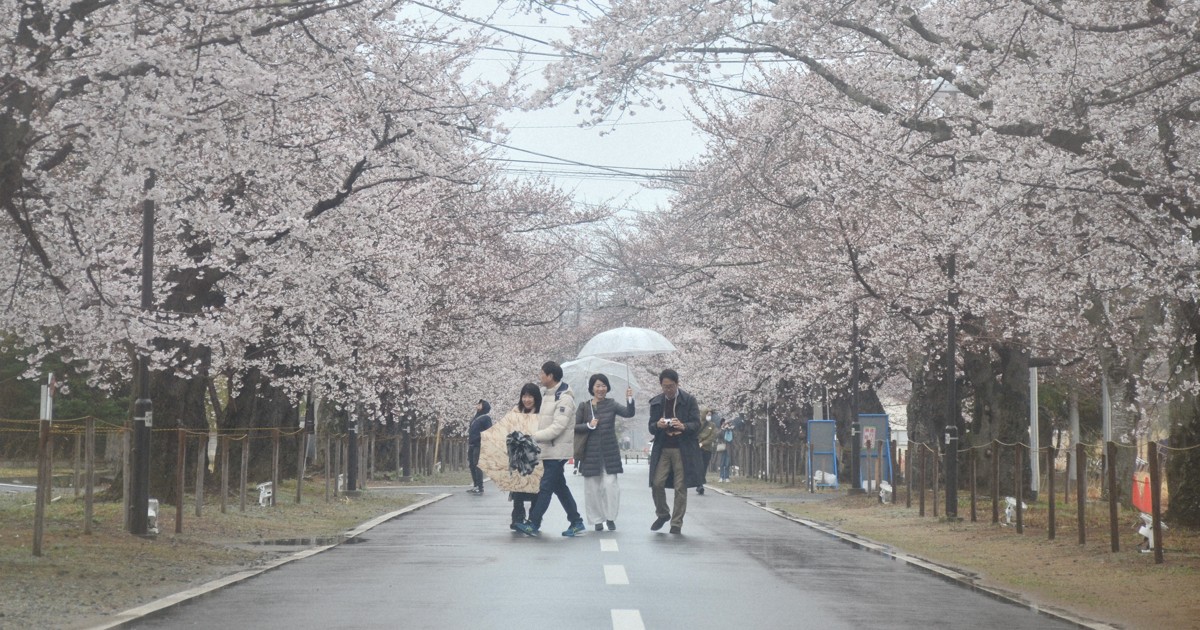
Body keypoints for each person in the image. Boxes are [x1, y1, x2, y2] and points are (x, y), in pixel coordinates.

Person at [514, 361, 586, 537]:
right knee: (559, 487)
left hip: (556, 450)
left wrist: (534, 436)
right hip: (547, 449)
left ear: (551, 376)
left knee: (546, 486)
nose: (540, 376)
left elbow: (558, 427)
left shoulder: (564, 398)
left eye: (542, 374)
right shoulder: (547, 395)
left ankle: (534, 523)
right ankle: (576, 521)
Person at [575, 374, 635, 532]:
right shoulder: (584, 406)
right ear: (592, 388)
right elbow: (575, 427)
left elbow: (629, 413)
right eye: (597, 386)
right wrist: (588, 425)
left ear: (607, 387)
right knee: (592, 489)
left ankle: (610, 517)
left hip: (609, 452)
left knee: (611, 486)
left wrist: (629, 399)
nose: (600, 389)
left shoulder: (612, 404)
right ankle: (597, 520)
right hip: (590, 452)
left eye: (603, 385)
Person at [647, 369, 703, 534]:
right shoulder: (657, 402)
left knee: (680, 486)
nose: (668, 390)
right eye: (665, 387)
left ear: (677, 384)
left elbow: (697, 424)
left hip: (682, 449)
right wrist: (658, 425)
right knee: (657, 483)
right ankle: (663, 513)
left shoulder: (688, 400)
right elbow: (651, 427)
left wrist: (683, 426)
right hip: (663, 447)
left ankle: (676, 523)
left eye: (671, 386)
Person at [506, 384, 542, 528]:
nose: (527, 400)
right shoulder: (515, 412)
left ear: (536, 397)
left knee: (536, 488)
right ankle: (517, 518)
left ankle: (534, 518)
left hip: (536, 457)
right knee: (518, 487)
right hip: (519, 456)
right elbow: (508, 430)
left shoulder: (542, 413)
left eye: (530, 396)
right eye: (524, 396)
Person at [466, 399, 492, 494]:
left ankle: (480, 487)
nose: (477, 405)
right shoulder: (476, 417)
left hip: (479, 445)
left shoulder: (486, 418)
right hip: (472, 444)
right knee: (472, 465)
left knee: (477, 465)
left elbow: (489, 431)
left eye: (480, 404)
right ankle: (475, 485)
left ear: (484, 406)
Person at [695, 407, 717, 495]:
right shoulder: (697, 424)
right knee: (698, 466)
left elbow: (712, 436)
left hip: (707, 449)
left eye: (710, 415)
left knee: (704, 466)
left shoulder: (712, 425)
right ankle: (699, 484)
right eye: (708, 415)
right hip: (697, 448)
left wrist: (703, 443)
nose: (709, 416)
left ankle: (700, 483)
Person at [718, 415, 735, 482]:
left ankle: (727, 477)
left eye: (726, 424)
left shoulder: (730, 431)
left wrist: (729, 429)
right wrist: (722, 429)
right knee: (722, 463)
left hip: (729, 448)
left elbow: (733, 437)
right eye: (724, 424)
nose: (726, 425)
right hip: (722, 448)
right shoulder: (721, 430)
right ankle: (721, 477)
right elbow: (718, 435)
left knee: (727, 463)